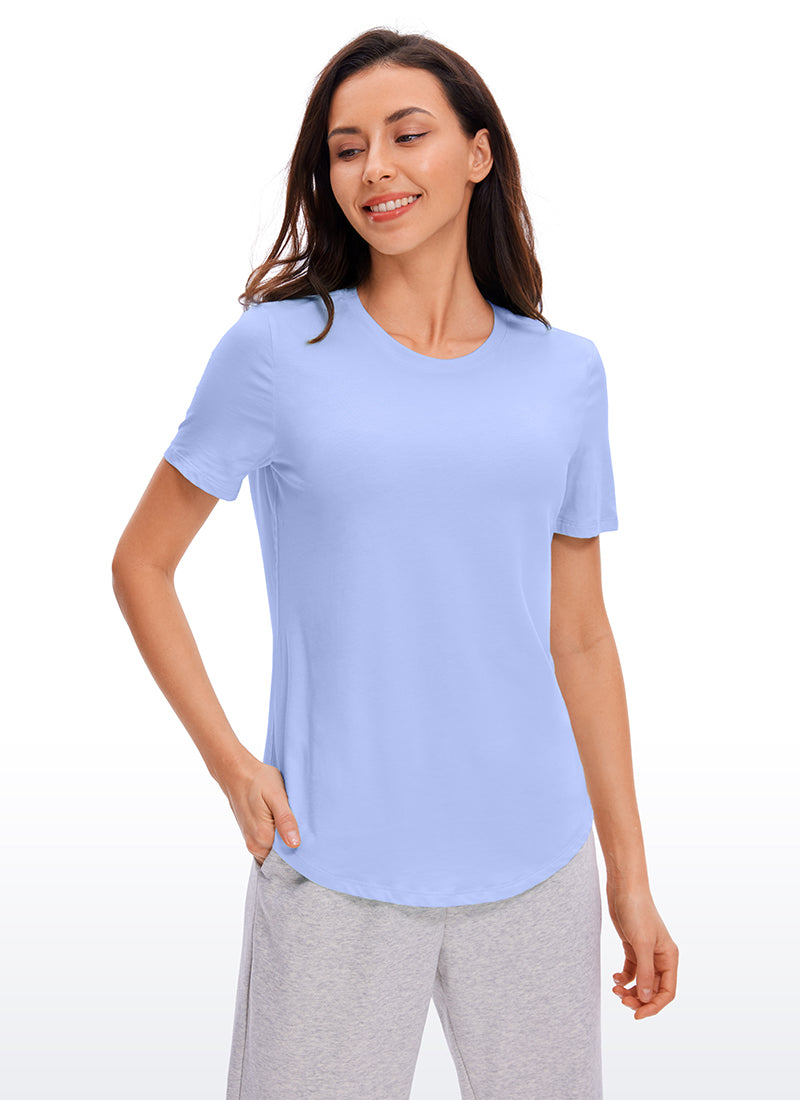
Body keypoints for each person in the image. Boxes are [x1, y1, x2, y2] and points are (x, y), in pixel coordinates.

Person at [111, 26, 678, 1100]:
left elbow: (579, 636)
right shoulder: (277, 351)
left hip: (536, 863)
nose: (374, 167)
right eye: (345, 148)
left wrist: (630, 879)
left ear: (477, 154)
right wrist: (233, 766)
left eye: (406, 135)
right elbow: (142, 563)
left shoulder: (564, 374)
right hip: (334, 862)